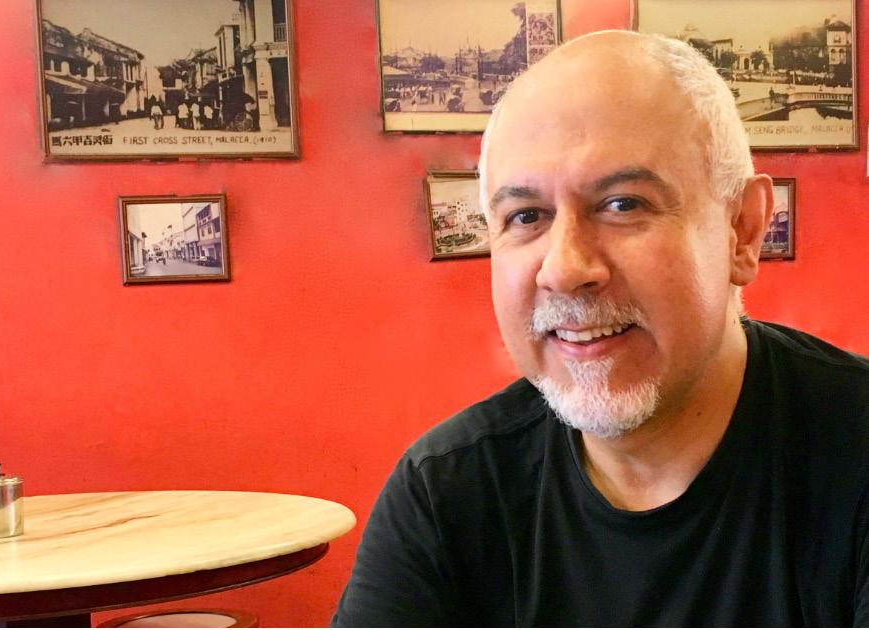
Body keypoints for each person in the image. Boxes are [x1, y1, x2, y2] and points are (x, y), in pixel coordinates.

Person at [333, 30, 869, 627]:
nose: (564, 269)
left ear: (742, 231)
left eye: (624, 204)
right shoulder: (446, 496)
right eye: (526, 216)